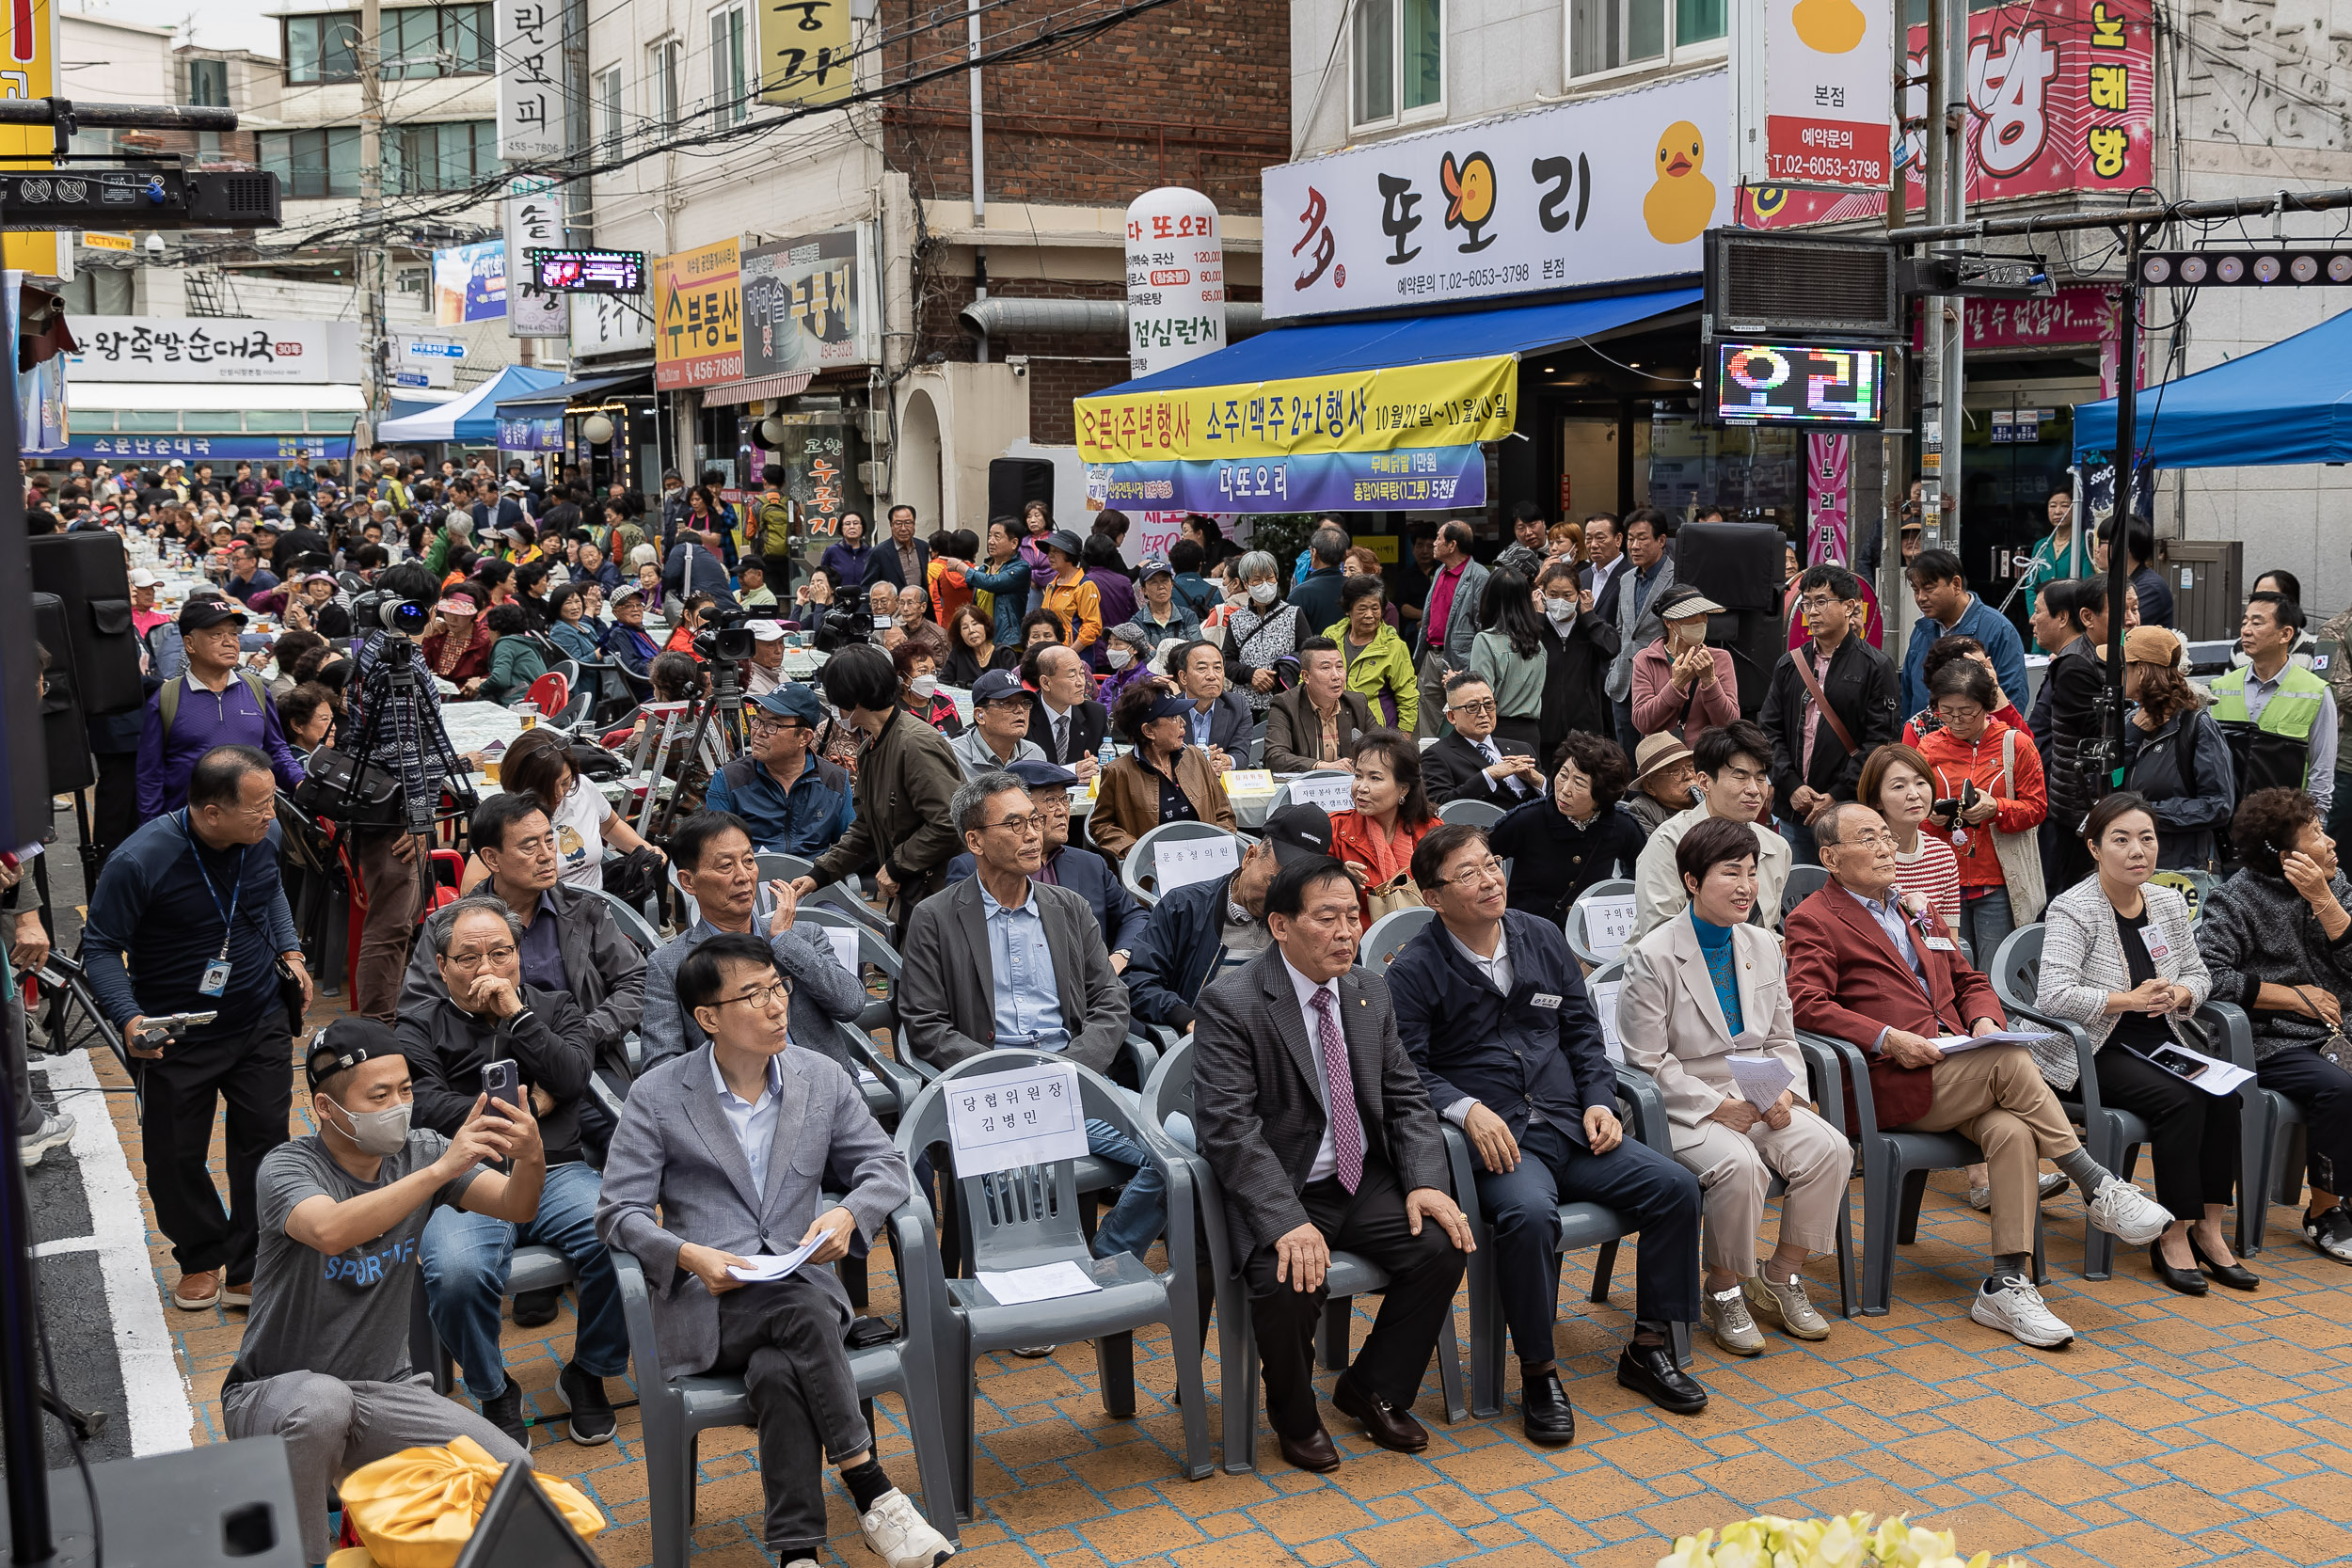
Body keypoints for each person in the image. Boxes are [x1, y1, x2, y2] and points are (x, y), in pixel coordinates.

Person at [594, 934, 955, 1568]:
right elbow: (617, 1212)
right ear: (708, 1016)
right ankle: (871, 1485)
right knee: (802, 1316)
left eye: (778, 987)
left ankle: (797, 1553)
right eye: (753, 994)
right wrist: (688, 1255)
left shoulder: (821, 1076)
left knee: (779, 1368)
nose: (777, 1006)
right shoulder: (658, 1093)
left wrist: (847, 1212)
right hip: (710, 1302)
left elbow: (885, 1164)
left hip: (799, 1293)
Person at [1785, 801, 2172, 1347]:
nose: (1885, 847)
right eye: (1868, 838)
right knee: (2011, 1059)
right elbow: (1806, 1004)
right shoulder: (1815, 918)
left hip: (1959, 1068)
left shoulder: (1916, 909)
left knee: (2012, 1130)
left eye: (1887, 838)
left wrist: (1986, 1017)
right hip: (1888, 1079)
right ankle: (2095, 1183)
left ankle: (2006, 1284)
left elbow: (1969, 980)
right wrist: (1888, 1038)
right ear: (1829, 856)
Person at [1395, 819, 1709, 1431]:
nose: (1490, 880)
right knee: (1529, 1215)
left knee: (1676, 1187)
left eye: (1490, 864)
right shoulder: (1416, 969)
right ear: (1432, 896)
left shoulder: (1539, 935)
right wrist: (1465, 1109)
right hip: (1501, 1144)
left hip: (1571, 1127)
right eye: (1468, 873)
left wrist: (1597, 1098)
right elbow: (1404, 1069)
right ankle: (1539, 1374)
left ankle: (1648, 1348)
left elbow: (1583, 1033)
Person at [1190, 855, 1476, 1471]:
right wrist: (1284, 1219)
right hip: (1285, 1182)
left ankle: (1372, 1386)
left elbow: (1406, 1098)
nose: (1347, 931)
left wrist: (1425, 1182)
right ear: (1282, 926)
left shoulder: (1369, 989)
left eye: (1354, 914)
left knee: (1441, 1246)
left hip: (1359, 1176)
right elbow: (1229, 1129)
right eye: (1328, 917)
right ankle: (1293, 1416)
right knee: (1290, 1280)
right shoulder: (1232, 1002)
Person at [221, 1022, 543, 1568]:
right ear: (326, 1107)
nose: (399, 1106)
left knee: (512, 1475)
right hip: (275, 1395)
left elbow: (517, 1206)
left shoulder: (421, 1152)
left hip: (383, 1392)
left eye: (406, 1091)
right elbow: (331, 1230)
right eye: (379, 1096)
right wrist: (444, 1167)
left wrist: (531, 1154)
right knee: (323, 1403)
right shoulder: (287, 1167)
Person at [899, 769, 1175, 1259]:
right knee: (1013, 1181)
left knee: (1184, 1145)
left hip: (1074, 1082)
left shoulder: (1068, 907)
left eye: (1034, 819)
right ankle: (1023, 1283)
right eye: (1014, 824)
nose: (1032, 833)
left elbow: (1109, 1000)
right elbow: (924, 1024)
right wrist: (1002, 1071)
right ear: (974, 841)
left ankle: (1105, 1257)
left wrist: (1073, 1066)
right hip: (992, 1093)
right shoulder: (935, 917)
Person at [83, 746, 314, 1311]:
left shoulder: (262, 839)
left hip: (257, 1016)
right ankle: (199, 1253)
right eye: (258, 806)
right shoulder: (140, 861)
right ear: (212, 812)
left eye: (271, 803)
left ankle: (250, 1265)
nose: (271, 814)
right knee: (174, 1156)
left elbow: (270, 894)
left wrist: (291, 951)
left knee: (263, 1145)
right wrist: (130, 1018)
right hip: (176, 1033)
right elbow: (101, 947)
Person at [395, 896, 626, 1442]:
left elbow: (573, 1077)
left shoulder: (555, 1008)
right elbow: (423, 1106)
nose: (487, 970)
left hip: (556, 1170)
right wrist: (528, 1108)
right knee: (455, 1274)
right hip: (465, 1178)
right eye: (469, 958)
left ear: (519, 956)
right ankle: (494, 1390)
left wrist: (516, 1017)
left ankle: (589, 1371)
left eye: (501, 953)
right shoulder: (417, 1025)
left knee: (625, 1240)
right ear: (441, 965)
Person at [1618, 816, 1847, 1354]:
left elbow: (1782, 1036)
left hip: (1758, 1088)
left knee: (1829, 1147)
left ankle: (1782, 1273)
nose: (1746, 886)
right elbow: (1645, 1061)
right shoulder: (1653, 955)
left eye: (1751, 872)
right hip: (1681, 1103)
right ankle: (1722, 1288)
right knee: (1739, 1164)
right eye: (1730, 874)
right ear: (1692, 881)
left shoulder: (1764, 943)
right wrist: (1719, 1106)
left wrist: (1782, 1089)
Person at [2034, 794, 2253, 1294]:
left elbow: (2200, 974)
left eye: (2147, 838)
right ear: (2094, 848)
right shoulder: (2074, 907)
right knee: (2180, 1103)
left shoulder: (2168, 901)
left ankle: (2210, 1228)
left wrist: (2180, 992)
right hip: (2094, 1049)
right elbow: (2053, 995)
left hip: (2162, 1040)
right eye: (2122, 839)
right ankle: (2171, 1233)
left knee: (2226, 1097)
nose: (2138, 851)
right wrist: (2125, 1000)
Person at [401, 794, 646, 1126]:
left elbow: (638, 981)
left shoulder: (583, 911)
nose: (548, 856)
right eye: (530, 847)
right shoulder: (451, 928)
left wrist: (579, 1035)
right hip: (483, 1072)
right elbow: (417, 1009)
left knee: (638, 1133)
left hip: (583, 1066)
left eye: (549, 840)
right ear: (492, 858)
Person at [2198, 788, 2352, 1265]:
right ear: (2287, 858)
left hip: (2342, 1030)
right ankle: (2326, 1211)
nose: (2330, 844)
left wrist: (2324, 902)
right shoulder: (2235, 900)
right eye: (2317, 835)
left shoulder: (2335, 884)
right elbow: (2209, 976)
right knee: (2340, 1089)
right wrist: (2291, 997)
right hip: (2274, 1041)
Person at [640, 812, 871, 1077]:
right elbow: (660, 1067)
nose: (743, 876)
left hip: (827, 1093)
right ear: (688, 882)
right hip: (733, 1106)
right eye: (726, 866)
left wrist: (784, 940)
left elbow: (851, 1004)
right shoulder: (671, 964)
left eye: (749, 861)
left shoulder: (804, 936)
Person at [787, 644, 966, 946]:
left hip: (943, 897)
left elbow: (949, 822)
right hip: (912, 898)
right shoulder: (870, 750)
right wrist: (820, 874)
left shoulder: (916, 744)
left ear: (853, 698)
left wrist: (897, 864)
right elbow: (866, 828)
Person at [1123, 804, 1332, 1032]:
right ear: (1250, 857)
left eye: (1296, 886)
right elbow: (1138, 980)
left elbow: (1346, 977)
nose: (1283, 897)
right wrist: (1185, 1018)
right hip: (1206, 1039)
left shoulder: (1307, 916)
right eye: (1273, 881)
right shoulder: (1184, 907)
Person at [943, 758, 1148, 970]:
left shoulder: (1090, 864)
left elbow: (1134, 916)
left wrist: (1120, 956)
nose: (1062, 811)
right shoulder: (976, 866)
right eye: (1051, 801)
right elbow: (960, 945)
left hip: (1094, 984)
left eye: (1064, 799)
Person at [1759, 563, 1902, 864]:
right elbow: (1769, 729)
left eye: (1821, 601)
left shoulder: (1875, 666)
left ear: (1850, 607)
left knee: (1849, 896)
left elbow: (1880, 741)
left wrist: (1836, 794)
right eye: (1806, 603)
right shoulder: (1790, 664)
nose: (1812, 611)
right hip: (1795, 810)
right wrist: (1790, 785)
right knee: (1796, 896)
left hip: (1849, 810)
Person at [1914, 659, 2048, 958]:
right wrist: (1930, 816)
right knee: (1949, 969)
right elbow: (1911, 813)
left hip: (1998, 881)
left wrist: (1996, 809)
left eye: (1966, 712)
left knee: (1993, 973)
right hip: (1943, 880)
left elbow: (2037, 809)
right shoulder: (1928, 748)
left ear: (1986, 706)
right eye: (1946, 711)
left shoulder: (2016, 745)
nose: (1956, 720)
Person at [135, 597, 308, 821]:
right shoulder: (167, 700)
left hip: (255, 825)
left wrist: (301, 782)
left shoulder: (256, 690)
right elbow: (150, 776)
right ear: (189, 644)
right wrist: (152, 832)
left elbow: (277, 751)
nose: (230, 642)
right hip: (190, 829)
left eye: (233, 634)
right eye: (216, 635)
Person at [1631, 721, 1792, 940]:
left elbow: (1768, 927)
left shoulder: (1776, 847)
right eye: (1740, 777)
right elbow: (1660, 933)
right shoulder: (1670, 841)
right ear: (1704, 782)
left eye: (1761, 778)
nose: (1754, 790)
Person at [1489, 731, 1645, 923]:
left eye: (1579, 784)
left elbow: (1642, 866)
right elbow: (1484, 853)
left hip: (1589, 932)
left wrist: (1617, 899)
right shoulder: (1528, 819)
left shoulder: (1622, 825)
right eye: (1563, 776)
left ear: (1602, 794)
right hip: (1530, 931)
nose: (1564, 790)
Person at [2114, 624, 2234, 869]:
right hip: (2129, 864)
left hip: (2182, 868)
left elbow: (2218, 805)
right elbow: (2109, 784)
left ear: (2144, 671)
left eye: (2125, 665)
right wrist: (2132, 736)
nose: (2118, 673)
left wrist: (2145, 815)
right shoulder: (2129, 721)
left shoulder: (2197, 726)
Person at [2212, 589, 2335, 816]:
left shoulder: (2315, 692)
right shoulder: (2220, 687)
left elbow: (2321, 772)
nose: (2246, 631)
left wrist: (2311, 823)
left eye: (2257, 623)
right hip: (2225, 821)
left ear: (2285, 634)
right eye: (2245, 622)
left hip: (2284, 822)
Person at [1089, 686, 1238, 864]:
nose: (1183, 723)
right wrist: (1136, 850)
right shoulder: (1118, 772)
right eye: (1173, 718)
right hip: (1154, 872)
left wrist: (1216, 848)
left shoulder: (1195, 757)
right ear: (1149, 731)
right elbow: (1101, 825)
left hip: (1206, 863)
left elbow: (1224, 814)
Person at [1899, 549, 2029, 720]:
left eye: (1929, 588)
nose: (1920, 598)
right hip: (1923, 742)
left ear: (1956, 584)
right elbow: (1908, 694)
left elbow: (2013, 699)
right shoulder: (1921, 630)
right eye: (1916, 590)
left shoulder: (1999, 630)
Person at [1327, 730, 1438, 925]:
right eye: (1358, 776)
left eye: (1375, 778)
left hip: (1424, 936)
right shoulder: (1334, 830)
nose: (1361, 787)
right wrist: (1338, 878)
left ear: (1403, 788)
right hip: (1355, 940)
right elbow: (1309, 894)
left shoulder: (1431, 831)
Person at [1859, 743, 1963, 931]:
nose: (1914, 794)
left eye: (1921, 783)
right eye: (1899, 786)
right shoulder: (1863, 855)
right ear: (1877, 800)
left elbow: (1949, 940)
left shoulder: (1942, 855)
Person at [1604, 509, 1677, 754]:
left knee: (1658, 756)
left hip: (1659, 683)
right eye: (1630, 539)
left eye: (1642, 538)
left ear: (1661, 541)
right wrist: (1616, 666)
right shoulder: (1626, 579)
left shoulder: (1677, 578)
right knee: (1626, 758)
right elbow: (1622, 629)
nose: (1634, 546)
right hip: (1623, 681)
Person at [1629, 586, 1735, 747]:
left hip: (1705, 758)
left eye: (1704, 614)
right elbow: (1643, 722)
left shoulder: (1719, 659)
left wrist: (1710, 681)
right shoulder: (1646, 660)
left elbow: (1730, 723)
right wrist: (1675, 686)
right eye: (1693, 615)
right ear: (1670, 623)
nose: (1702, 620)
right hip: (1662, 760)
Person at [1420, 671, 1542, 807]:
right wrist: (1488, 775)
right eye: (1472, 707)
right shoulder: (1437, 755)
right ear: (1452, 717)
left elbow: (1553, 800)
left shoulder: (1522, 748)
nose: (1483, 713)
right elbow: (1440, 806)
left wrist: (1540, 782)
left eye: (1488, 704)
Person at [1414, 520, 1489, 741]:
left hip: (1459, 659)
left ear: (1452, 545)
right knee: (1426, 713)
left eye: (1438, 538)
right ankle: (1428, 763)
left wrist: (1472, 665)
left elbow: (1482, 627)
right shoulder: (1439, 572)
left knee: (1462, 714)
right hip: (1430, 654)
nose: (1434, 543)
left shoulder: (1479, 576)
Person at [1534, 557, 1616, 757]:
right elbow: (1524, 650)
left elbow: (1611, 649)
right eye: (1553, 594)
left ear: (1579, 594)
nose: (1560, 601)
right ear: (1542, 594)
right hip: (1544, 726)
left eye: (1567, 595)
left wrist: (1589, 616)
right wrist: (1537, 617)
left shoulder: (1588, 626)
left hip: (1585, 728)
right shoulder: (1537, 626)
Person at [1469, 567, 1549, 756]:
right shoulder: (1538, 645)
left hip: (1496, 733)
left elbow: (1481, 697)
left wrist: (1461, 685)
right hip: (1530, 735)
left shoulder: (1485, 640)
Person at [1264, 638, 1375, 773]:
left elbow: (1383, 746)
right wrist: (1321, 766)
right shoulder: (1286, 704)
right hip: (1307, 789)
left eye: (1339, 667)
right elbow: (1274, 757)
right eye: (1326, 668)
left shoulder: (1357, 703)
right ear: (1306, 676)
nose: (1336, 676)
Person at [1329, 573, 1418, 732]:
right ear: (1348, 610)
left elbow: (1407, 694)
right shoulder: (1331, 638)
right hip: (1333, 728)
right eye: (1362, 608)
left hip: (1376, 732)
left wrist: (1404, 733)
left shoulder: (1393, 646)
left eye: (1375, 608)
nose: (1370, 615)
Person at [1025, 641, 1110, 777]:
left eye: (1082, 674)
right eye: (1071, 676)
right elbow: (1022, 771)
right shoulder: (1024, 715)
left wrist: (1095, 769)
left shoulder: (1095, 714)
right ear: (1045, 683)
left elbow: (1110, 762)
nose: (1081, 682)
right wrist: (1071, 772)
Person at [951, 666, 1049, 776]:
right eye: (1007, 703)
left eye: (1025, 703)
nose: (1020, 710)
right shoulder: (953, 757)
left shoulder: (1035, 754)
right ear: (980, 716)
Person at [1169, 638, 1253, 767]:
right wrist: (1201, 763)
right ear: (1183, 677)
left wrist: (1225, 760)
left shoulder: (1237, 706)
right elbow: (1162, 757)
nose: (1212, 676)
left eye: (1218, 668)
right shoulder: (1169, 710)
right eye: (1202, 668)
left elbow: (1241, 755)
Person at [2094, 515, 2172, 628]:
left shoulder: (2150, 587)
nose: (2096, 549)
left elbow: (2119, 629)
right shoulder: (2119, 581)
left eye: (2101, 543)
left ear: (2120, 547)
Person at [1037, 530, 1102, 653]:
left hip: (1077, 656)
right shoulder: (1051, 585)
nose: (1050, 555)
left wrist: (1070, 652)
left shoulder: (1085, 586)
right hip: (1052, 652)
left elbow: (1092, 627)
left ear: (1069, 554)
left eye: (1056, 551)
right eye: (1050, 551)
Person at [1625, 732, 1700, 835]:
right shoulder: (1640, 813)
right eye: (1676, 771)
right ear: (1650, 786)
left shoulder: (1706, 795)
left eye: (1691, 767)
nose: (1689, 775)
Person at [2022, 484, 2084, 603]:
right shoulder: (2041, 545)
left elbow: (2087, 585)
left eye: (2064, 506)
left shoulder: (2083, 543)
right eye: (2052, 506)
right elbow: (2030, 586)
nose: (2057, 511)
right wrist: (2034, 614)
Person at [894, 636, 963, 737]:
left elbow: (961, 741)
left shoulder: (945, 705)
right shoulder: (894, 712)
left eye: (933, 672)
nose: (929, 677)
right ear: (902, 677)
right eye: (923, 671)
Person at [1131, 557, 1201, 650]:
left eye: (1165, 581)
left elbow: (1197, 650)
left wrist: (1157, 652)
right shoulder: (1137, 622)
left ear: (1172, 585)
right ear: (1144, 590)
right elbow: (1144, 657)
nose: (1161, 586)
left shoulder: (1188, 616)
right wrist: (1182, 647)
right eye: (1154, 582)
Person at [942, 603, 1004, 688]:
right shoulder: (958, 654)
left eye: (975, 624)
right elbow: (943, 684)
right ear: (960, 634)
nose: (971, 630)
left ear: (985, 626)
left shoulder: (1003, 654)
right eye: (965, 628)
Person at [1493, 499, 1551, 580]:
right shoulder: (1506, 558)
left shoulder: (1562, 542)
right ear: (1514, 531)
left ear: (1543, 523)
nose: (1528, 532)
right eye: (1521, 528)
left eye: (1532, 525)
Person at [818, 510, 873, 593]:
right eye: (847, 524)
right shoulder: (832, 551)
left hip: (866, 601)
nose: (852, 527)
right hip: (839, 601)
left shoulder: (871, 553)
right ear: (841, 528)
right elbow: (822, 578)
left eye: (856, 523)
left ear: (862, 527)